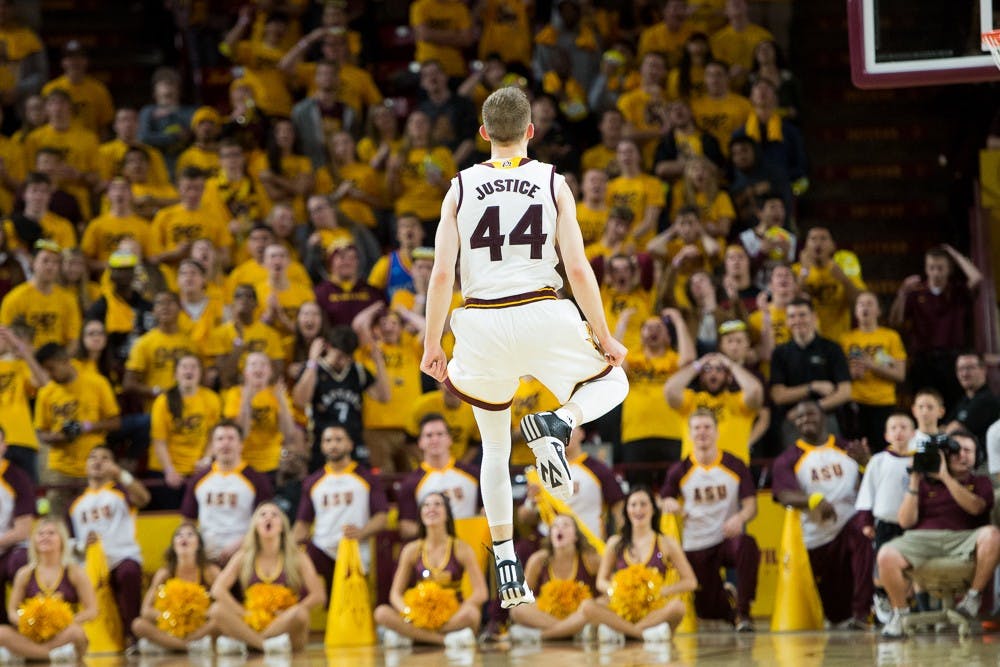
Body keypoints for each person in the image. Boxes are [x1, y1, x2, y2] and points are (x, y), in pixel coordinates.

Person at [420, 86, 630, 608]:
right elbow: (578, 268)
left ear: (483, 132)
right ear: (531, 132)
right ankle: (560, 423)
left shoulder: (459, 188)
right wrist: (604, 336)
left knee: (494, 447)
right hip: (543, 309)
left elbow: (442, 272)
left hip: (483, 324)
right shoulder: (552, 180)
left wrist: (432, 343)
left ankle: (508, 560)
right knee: (615, 380)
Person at [878, 430, 1000, 638]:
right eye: (956, 450)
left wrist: (945, 476)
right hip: (922, 539)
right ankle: (900, 613)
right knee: (886, 554)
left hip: (965, 539)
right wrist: (915, 481)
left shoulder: (981, 482)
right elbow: (905, 521)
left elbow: (976, 508)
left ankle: (973, 597)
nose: (962, 455)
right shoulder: (924, 483)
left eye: (968, 451)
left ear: (976, 456)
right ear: (944, 454)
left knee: (994, 535)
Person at [772, 400, 872, 629]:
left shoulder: (847, 448)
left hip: (848, 526)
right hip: (816, 541)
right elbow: (784, 494)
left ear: (824, 418)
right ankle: (845, 614)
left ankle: (863, 612)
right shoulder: (788, 458)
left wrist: (866, 464)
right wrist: (813, 499)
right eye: (799, 417)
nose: (805, 419)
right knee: (836, 614)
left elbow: (873, 483)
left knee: (862, 529)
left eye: (810, 414)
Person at [660, 410, 759, 631]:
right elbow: (663, 498)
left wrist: (739, 517)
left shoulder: (735, 464)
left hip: (727, 537)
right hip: (697, 542)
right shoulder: (680, 469)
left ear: (716, 431)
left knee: (747, 545)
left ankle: (744, 613)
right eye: (697, 428)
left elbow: (751, 506)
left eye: (706, 427)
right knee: (708, 610)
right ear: (690, 433)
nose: (702, 432)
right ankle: (729, 607)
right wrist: (669, 503)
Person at [579, 486, 698, 643]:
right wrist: (617, 591)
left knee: (678, 607)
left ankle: (622, 632)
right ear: (627, 510)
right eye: (633, 505)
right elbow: (601, 581)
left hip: (654, 608)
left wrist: (660, 591)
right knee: (588, 606)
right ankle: (643, 634)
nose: (638, 509)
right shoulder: (615, 542)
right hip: (623, 606)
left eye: (643, 504)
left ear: (653, 509)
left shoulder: (666, 542)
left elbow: (690, 581)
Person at [208, 502, 326, 654]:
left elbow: (319, 595)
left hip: (284, 624)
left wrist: (287, 614)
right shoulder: (243, 556)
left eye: (274, 515)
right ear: (255, 526)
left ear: (282, 526)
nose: (268, 518)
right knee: (216, 610)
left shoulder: (298, 556)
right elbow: (218, 590)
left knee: (301, 614)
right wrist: (244, 613)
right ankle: (265, 645)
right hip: (253, 621)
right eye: (262, 515)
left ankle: (248, 643)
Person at [373, 492, 487, 649]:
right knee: (381, 613)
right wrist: (410, 613)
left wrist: (456, 613)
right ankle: (444, 640)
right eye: (426, 505)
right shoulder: (412, 549)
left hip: (452, 615)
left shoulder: (461, 548)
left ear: (447, 513)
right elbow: (395, 594)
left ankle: (414, 637)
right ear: (420, 514)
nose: (431, 508)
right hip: (419, 615)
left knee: (472, 614)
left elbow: (481, 592)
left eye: (437, 504)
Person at [68, 446, 150, 647]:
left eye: (105, 458)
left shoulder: (120, 492)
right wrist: (80, 545)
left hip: (122, 556)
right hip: (90, 565)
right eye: (93, 457)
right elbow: (68, 541)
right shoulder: (75, 504)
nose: (98, 461)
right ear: (85, 465)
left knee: (128, 573)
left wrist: (121, 474)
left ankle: (133, 637)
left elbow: (144, 498)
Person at [293, 425, 388, 591]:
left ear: (350, 444)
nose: (333, 445)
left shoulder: (367, 478)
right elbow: (303, 524)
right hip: (322, 550)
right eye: (328, 440)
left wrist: (362, 532)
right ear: (322, 446)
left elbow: (382, 516)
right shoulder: (312, 482)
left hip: (355, 551)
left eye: (339, 439)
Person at [33, 342, 121, 516]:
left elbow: (116, 422)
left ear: (65, 361)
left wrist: (85, 427)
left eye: (51, 368)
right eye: (45, 370)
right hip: (59, 469)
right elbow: (41, 433)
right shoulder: (46, 393)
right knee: (55, 521)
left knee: (97, 521)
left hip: (94, 467)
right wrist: (61, 436)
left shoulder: (97, 383)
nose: (49, 375)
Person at [291, 324, 390, 470]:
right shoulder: (313, 370)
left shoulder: (357, 371)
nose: (343, 361)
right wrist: (312, 361)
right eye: (339, 356)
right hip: (322, 441)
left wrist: (378, 361)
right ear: (328, 347)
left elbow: (384, 397)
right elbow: (300, 401)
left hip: (353, 441)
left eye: (347, 357)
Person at [0, 520, 95, 663]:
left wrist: (66, 621)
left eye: (51, 533)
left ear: (62, 540)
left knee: (77, 633)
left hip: (63, 633)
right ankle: (52, 655)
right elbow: (12, 610)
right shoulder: (25, 573)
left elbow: (92, 610)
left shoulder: (74, 571)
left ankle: (26, 654)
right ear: (34, 541)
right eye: (40, 534)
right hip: (32, 634)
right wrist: (26, 622)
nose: (45, 537)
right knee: (1, 632)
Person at [180, 420, 274, 564]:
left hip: (245, 554)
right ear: (212, 445)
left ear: (241, 444)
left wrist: (240, 545)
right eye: (220, 439)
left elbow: (266, 523)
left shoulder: (257, 480)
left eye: (231, 438)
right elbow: (188, 521)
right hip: (206, 556)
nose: (225, 443)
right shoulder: (198, 480)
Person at [854, 412, 917, 625]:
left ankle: (909, 606)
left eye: (903, 427)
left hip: (912, 525)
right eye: (894, 428)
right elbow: (866, 494)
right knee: (882, 567)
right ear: (886, 435)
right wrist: (865, 522)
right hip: (885, 524)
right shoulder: (878, 461)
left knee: (910, 568)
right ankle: (883, 598)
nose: (899, 432)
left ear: (913, 433)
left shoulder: (920, 460)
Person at [507, 514, 601, 643]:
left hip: (580, 612)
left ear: (576, 536)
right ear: (550, 535)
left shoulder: (590, 558)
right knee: (517, 609)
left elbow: (606, 592)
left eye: (566, 525)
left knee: (599, 605)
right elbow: (522, 597)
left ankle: (543, 635)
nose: (559, 529)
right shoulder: (538, 560)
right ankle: (572, 631)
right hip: (551, 613)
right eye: (555, 526)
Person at [770, 298, 852, 444]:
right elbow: (778, 395)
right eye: (792, 316)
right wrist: (812, 387)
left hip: (827, 418)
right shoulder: (780, 353)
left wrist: (812, 409)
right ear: (787, 321)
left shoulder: (832, 348)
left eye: (802, 315)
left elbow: (845, 392)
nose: (798, 320)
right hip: (793, 421)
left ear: (814, 317)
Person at [148, 354, 222, 510]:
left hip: (197, 470)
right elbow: (159, 441)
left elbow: (213, 436)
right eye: (184, 367)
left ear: (200, 373)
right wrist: (169, 470)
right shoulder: (163, 402)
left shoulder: (212, 399)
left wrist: (207, 459)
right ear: (175, 374)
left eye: (194, 367)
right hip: (165, 471)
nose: (189, 371)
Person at [131, 522, 219, 654]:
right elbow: (146, 610)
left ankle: (169, 645)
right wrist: (173, 617)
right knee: (138, 625)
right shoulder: (165, 573)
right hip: (171, 626)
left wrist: (194, 614)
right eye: (179, 535)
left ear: (199, 544)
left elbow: (222, 605)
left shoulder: (210, 571)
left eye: (190, 535)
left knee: (218, 622)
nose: (184, 538)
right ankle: (188, 647)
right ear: (173, 545)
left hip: (200, 625)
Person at [665, 349, 764, 463]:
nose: (713, 373)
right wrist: (698, 364)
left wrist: (730, 365)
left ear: (729, 377)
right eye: (707, 369)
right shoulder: (691, 400)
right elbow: (669, 390)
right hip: (695, 472)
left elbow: (756, 391)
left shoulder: (739, 400)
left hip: (734, 472)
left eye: (719, 369)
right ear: (701, 376)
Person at [397, 413, 481, 541]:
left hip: (472, 545)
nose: (435, 439)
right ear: (420, 442)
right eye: (429, 435)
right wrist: (434, 528)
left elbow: (486, 510)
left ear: (449, 439)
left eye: (440, 434)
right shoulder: (411, 482)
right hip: (432, 552)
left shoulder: (474, 474)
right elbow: (404, 527)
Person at [840, 291, 907, 451]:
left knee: (882, 450)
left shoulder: (890, 336)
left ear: (879, 310)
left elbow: (900, 375)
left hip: (883, 402)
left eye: (870, 304)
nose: (865, 308)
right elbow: (838, 376)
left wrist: (871, 365)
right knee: (856, 450)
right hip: (855, 402)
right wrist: (851, 374)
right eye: (861, 304)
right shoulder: (846, 339)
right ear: (855, 311)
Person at [0, 241, 80, 350]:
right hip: (23, 361)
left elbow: (73, 340)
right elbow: (5, 338)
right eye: (45, 260)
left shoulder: (68, 299)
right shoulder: (14, 298)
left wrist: (60, 361)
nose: (50, 266)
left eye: (55, 262)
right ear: (33, 262)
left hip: (57, 360)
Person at [0, 325, 48, 479]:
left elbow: (44, 382)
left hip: (23, 440)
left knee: (29, 495)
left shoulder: (20, 366)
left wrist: (19, 347)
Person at [945, 353, 1000, 449]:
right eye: (960, 369)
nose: (964, 373)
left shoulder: (987, 400)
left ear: (983, 370)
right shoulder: (964, 400)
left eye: (970, 368)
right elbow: (945, 427)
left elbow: (953, 430)